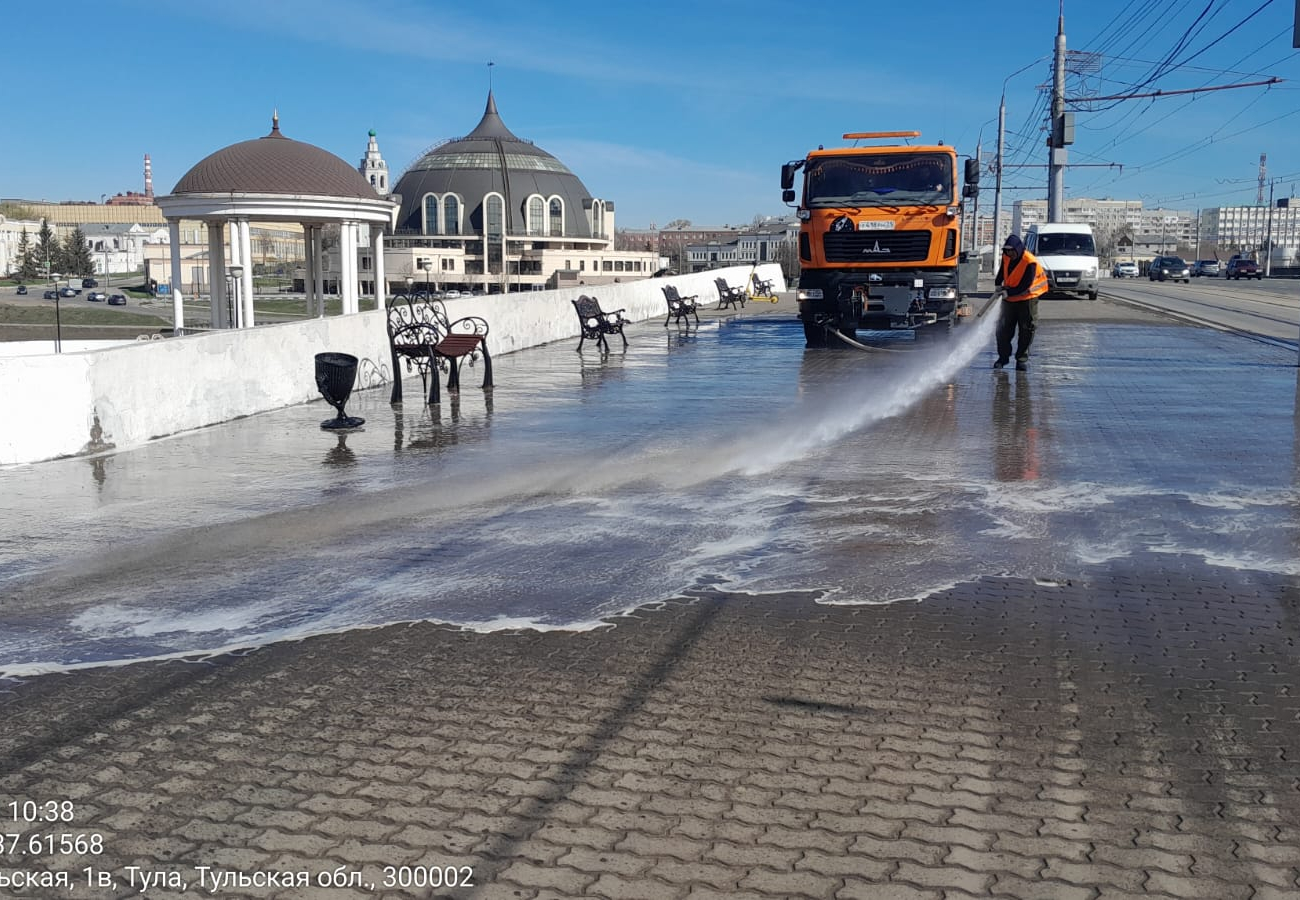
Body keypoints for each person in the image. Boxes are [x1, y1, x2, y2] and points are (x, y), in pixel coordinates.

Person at [992, 233, 1048, 371]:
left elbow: (1025, 284)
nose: (1010, 254)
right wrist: (998, 283)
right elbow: (1002, 272)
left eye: (1012, 251)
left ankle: (1021, 359)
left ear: (1018, 249)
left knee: (1026, 329)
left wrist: (1009, 292)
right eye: (1007, 251)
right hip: (1009, 299)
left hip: (1027, 299)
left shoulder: (1030, 262)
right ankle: (1003, 358)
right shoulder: (1007, 257)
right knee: (1003, 330)